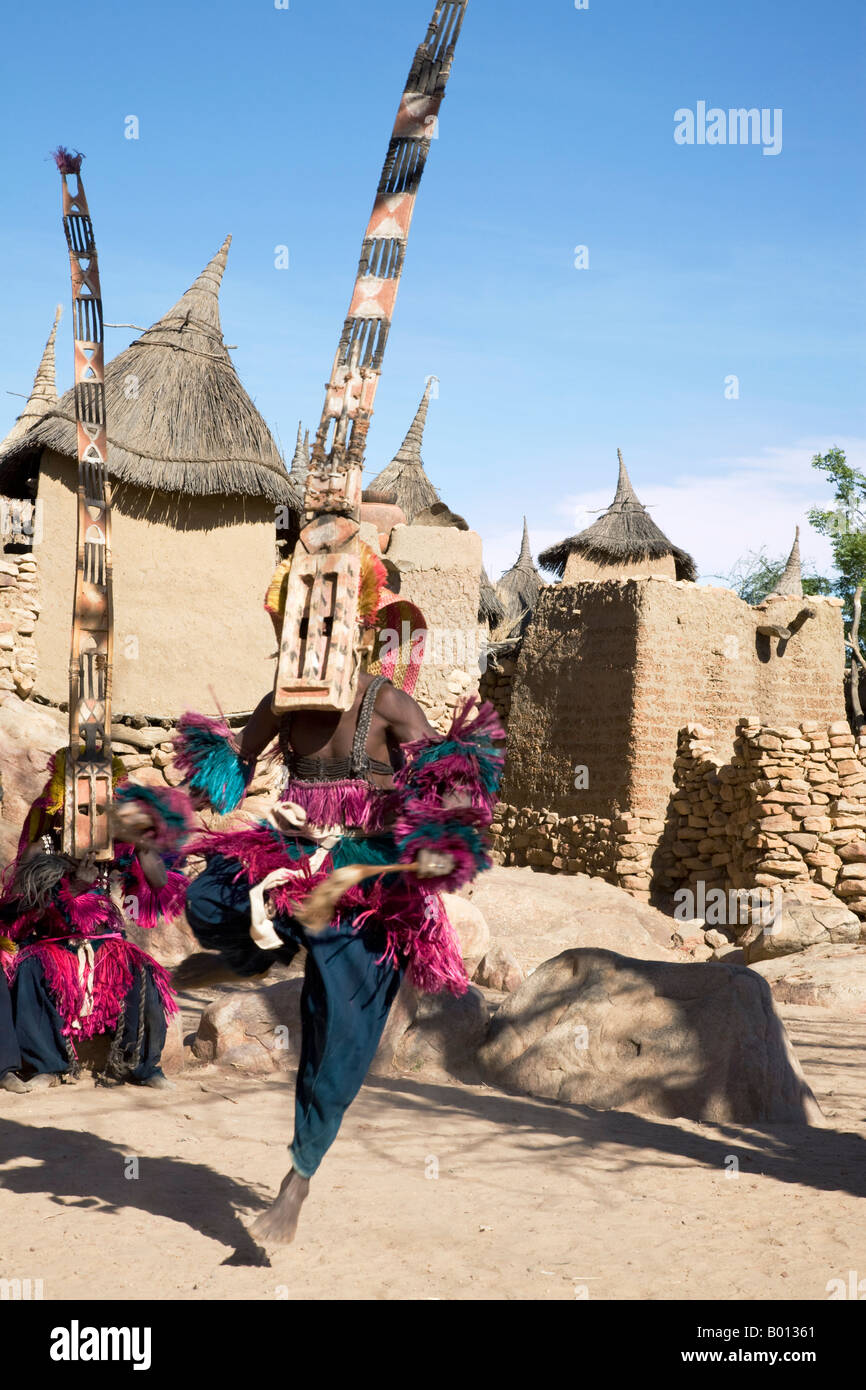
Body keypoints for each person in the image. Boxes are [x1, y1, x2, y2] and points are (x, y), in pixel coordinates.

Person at [175, 546, 504, 1244]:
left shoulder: (386, 702)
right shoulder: (282, 705)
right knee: (209, 898)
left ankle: (298, 1179)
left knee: (338, 1029)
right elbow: (229, 767)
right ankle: (251, 954)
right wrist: (209, 780)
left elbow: (445, 781)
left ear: (354, 634)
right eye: (298, 634)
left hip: (371, 882)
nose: (308, 646)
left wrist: (439, 810)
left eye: (322, 632)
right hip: (297, 857)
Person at [1, 753, 192, 1090]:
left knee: (143, 974)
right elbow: (20, 899)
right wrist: (71, 884)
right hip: (51, 943)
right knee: (29, 971)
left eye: (98, 808)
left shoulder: (116, 845)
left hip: (106, 943)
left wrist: (143, 843)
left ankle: (142, 1066)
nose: (90, 815)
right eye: (81, 807)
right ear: (62, 806)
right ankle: (48, 1066)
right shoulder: (42, 845)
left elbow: (160, 882)